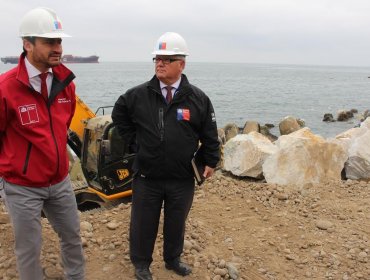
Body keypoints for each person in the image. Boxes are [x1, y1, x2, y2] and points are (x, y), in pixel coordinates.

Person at [112, 32, 220, 280]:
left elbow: (210, 133)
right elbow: (119, 115)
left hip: (181, 177)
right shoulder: (137, 95)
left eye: (167, 59)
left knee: (176, 222)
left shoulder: (198, 99)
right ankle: (141, 264)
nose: (159, 63)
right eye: (157, 59)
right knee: (143, 223)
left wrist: (211, 160)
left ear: (181, 64)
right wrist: (134, 141)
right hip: (147, 175)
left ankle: (173, 260)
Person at [0, 7, 85, 280]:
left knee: (72, 235)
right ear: (28, 44)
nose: (57, 47)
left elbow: (62, 126)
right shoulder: (6, 87)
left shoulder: (66, 84)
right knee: (29, 249)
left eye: (59, 41)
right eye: (49, 41)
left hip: (59, 182)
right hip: (22, 186)